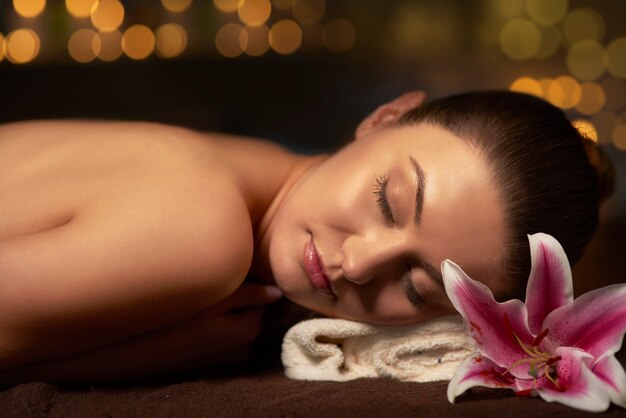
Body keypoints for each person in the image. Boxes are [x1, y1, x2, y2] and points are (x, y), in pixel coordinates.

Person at [0, 90, 612, 384]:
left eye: (416, 286)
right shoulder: (206, 231)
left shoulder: (248, 168)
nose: (361, 263)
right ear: (384, 116)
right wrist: (147, 355)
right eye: (387, 200)